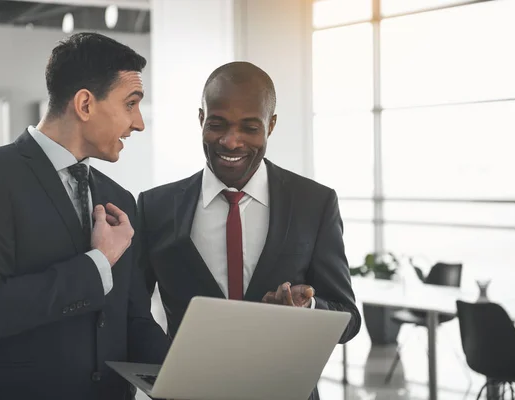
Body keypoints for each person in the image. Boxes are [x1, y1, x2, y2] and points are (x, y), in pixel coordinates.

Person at [0, 32, 168, 400]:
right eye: (131, 104)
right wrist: (98, 263)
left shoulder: (117, 199)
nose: (138, 123)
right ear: (85, 104)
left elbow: (132, 320)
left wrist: (191, 373)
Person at [137, 61, 361, 399]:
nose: (231, 141)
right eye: (217, 124)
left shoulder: (314, 202)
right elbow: (132, 312)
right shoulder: (154, 207)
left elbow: (348, 318)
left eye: (249, 127)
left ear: (270, 125)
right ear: (201, 119)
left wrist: (307, 312)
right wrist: (167, 366)